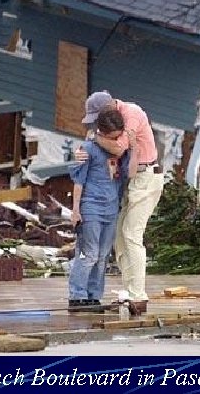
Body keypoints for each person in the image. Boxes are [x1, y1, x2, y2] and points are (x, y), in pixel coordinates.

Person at [78, 91, 165, 316]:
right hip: (133, 179)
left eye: (97, 120)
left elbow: (118, 148)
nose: (97, 125)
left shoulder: (132, 114)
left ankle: (138, 296)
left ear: (108, 109)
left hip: (147, 177)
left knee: (132, 234)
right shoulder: (113, 120)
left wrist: (93, 138)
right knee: (119, 235)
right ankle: (129, 291)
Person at [67, 108, 135, 313]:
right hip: (91, 206)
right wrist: (76, 210)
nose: (117, 139)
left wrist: (134, 146)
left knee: (103, 255)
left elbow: (128, 173)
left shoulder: (121, 152)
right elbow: (79, 181)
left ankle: (94, 295)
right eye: (114, 136)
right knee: (89, 254)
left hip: (111, 207)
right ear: (103, 133)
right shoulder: (88, 149)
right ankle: (77, 295)